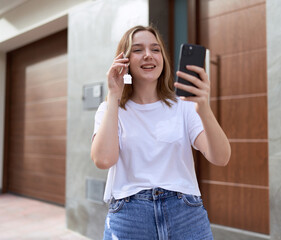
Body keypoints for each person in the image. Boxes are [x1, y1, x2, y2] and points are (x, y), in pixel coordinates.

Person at [91, 25, 231, 240]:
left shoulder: (184, 106)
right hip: (130, 216)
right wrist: (113, 95)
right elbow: (103, 160)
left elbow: (221, 157)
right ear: (124, 59)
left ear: (163, 57)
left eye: (155, 49)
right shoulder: (110, 109)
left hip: (185, 212)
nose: (148, 55)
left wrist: (203, 107)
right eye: (138, 50)